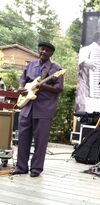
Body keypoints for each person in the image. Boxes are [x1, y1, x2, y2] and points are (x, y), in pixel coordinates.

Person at [11, 42, 64, 177]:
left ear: (51, 53)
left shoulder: (56, 69)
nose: (44, 52)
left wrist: (44, 86)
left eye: (47, 50)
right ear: (39, 50)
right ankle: (21, 167)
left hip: (44, 109)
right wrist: (22, 87)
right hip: (27, 107)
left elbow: (59, 88)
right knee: (23, 138)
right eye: (42, 49)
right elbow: (23, 79)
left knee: (40, 141)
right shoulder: (30, 65)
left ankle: (36, 169)